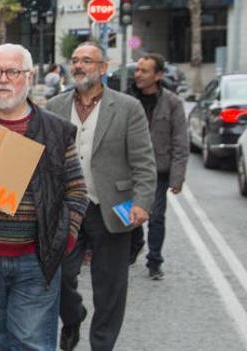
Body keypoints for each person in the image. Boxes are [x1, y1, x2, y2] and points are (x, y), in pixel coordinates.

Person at [0, 44, 88, 350]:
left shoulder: (56, 130)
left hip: (35, 260)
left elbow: (76, 191)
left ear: (28, 75)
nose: (3, 79)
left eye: (12, 71)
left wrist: (64, 240)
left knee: (33, 344)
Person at [46, 41, 156, 351]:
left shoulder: (127, 107)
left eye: (87, 61)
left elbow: (143, 162)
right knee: (60, 277)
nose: (79, 66)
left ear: (103, 68)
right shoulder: (54, 106)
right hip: (65, 207)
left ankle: (102, 345)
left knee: (110, 288)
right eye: (75, 60)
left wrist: (142, 203)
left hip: (112, 206)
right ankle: (73, 316)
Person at [128, 53, 188, 280]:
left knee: (156, 218)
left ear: (159, 75)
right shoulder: (128, 99)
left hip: (157, 171)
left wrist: (177, 178)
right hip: (129, 169)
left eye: (144, 71)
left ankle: (154, 261)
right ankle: (135, 244)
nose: (138, 75)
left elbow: (180, 141)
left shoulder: (173, 103)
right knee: (128, 217)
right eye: (137, 70)